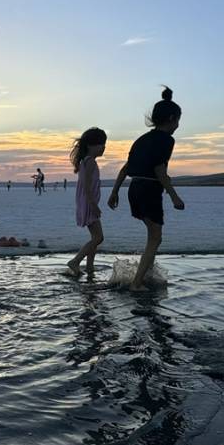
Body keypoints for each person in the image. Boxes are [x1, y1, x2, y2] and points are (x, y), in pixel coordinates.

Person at [108, 87, 185, 292]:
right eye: (178, 120)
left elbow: (126, 168)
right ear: (171, 118)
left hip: (134, 188)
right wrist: (174, 197)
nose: (178, 125)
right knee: (155, 237)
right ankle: (137, 283)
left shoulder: (141, 139)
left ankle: (145, 274)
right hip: (149, 189)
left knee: (153, 235)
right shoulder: (166, 140)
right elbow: (160, 170)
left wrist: (114, 191)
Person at [67, 127, 107, 277]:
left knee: (94, 238)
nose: (103, 147)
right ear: (90, 145)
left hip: (87, 203)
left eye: (104, 144)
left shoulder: (86, 161)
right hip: (89, 204)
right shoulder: (90, 162)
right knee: (99, 237)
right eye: (100, 144)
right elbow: (86, 186)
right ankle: (75, 261)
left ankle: (90, 266)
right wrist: (94, 205)